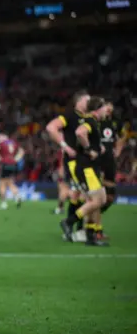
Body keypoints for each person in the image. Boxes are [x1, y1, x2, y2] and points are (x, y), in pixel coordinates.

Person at [59, 97, 109, 246]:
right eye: (105, 108)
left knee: (100, 200)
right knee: (97, 200)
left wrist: (98, 147)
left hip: (89, 167)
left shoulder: (92, 121)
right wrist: (88, 149)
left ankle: (90, 235)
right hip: (87, 168)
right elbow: (80, 133)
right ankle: (69, 222)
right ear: (98, 109)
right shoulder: (90, 121)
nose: (107, 110)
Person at [45, 90, 90, 241]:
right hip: (75, 162)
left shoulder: (89, 118)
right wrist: (65, 146)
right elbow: (51, 127)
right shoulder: (70, 116)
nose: (89, 103)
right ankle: (77, 229)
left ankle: (72, 230)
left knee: (78, 195)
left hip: (86, 160)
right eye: (86, 100)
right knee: (84, 195)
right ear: (78, 102)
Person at [94, 102, 127, 239]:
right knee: (98, 197)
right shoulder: (94, 121)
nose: (108, 110)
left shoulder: (115, 122)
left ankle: (88, 216)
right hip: (96, 162)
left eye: (110, 108)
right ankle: (96, 229)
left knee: (110, 197)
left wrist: (118, 150)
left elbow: (123, 135)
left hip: (110, 162)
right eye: (106, 107)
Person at [0, 132, 25, 210]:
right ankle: (17, 196)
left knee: (1, 183)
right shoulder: (13, 142)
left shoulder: (0, 143)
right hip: (13, 164)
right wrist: (16, 159)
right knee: (9, 182)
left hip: (4, 164)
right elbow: (22, 151)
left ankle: (3, 203)